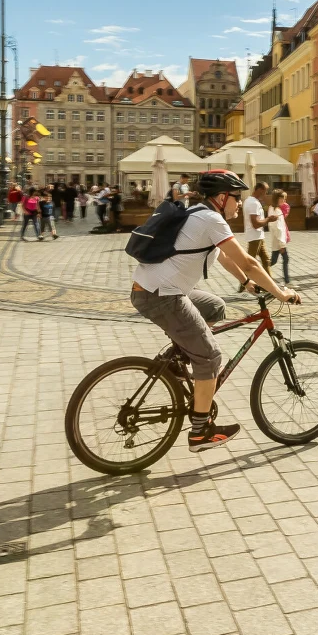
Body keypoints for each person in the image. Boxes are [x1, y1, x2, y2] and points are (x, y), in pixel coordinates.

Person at [131, 170, 299, 452]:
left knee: (215, 306)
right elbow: (249, 262)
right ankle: (200, 433)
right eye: (236, 197)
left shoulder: (198, 213)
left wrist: (245, 283)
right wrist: (280, 292)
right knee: (210, 356)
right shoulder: (210, 219)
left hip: (154, 288)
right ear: (222, 197)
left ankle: (181, 357)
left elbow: (223, 256)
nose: (238, 203)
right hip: (161, 295)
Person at [239, 182, 272, 290]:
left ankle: (269, 284)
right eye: (265, 191)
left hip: (258, 236)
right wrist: (269, 219)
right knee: (249, 263)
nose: (265, 193)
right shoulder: (253, 203)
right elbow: (256, 224)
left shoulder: (251, 201)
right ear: (259, 189)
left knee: (266, 260)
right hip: (255, 236)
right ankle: (243, 284)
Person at [268, 189, 291, 284]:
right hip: (279, 241)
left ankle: (261, 269)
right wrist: (282, 244)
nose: (284, 201)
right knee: (284, 259)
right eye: (283, 199)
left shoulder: (272, 208)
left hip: (276, 240)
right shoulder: (276, 211)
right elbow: (279, 229)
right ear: (277, 198)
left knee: (274, 261)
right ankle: (287, 282)